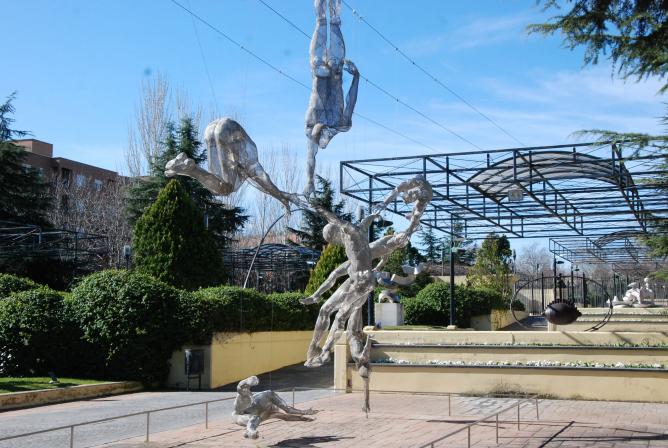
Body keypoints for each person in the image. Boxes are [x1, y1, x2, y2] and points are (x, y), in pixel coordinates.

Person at [301, 177, 433, 368]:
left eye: (332, 239)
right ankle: (314, 347)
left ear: (335, 234)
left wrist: (317, 207)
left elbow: (336, 220)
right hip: (357, 280)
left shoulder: (350, 232)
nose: (334, 243)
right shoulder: (353, 253)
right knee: (325, 309)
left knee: (340, 316)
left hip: (363, 281)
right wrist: (315, 295)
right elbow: (332, 277)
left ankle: (325, 352)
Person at [165, 117, 300, 214]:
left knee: (220, 185)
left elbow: (267, 186)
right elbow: (267, 184)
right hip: (226, 128)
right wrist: (283, 198)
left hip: (210, 129)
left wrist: (284, 199)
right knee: (224, 189)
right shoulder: (250, 165)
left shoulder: (241, 160)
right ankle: (192, 170)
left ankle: (190, 170)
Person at [304, 0, 360, 196]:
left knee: (319, 61)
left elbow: (311, 157)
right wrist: (356, 78)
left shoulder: (311, 128)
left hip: (322, 73)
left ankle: (325, 16)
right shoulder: (341, 124)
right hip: (334, 73)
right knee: (332, 25)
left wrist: (310, 181)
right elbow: (351, 101)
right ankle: (331, 16)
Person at [231, 376, 317, 439]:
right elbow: (287, 410)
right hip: (239, 415)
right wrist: (304, 413)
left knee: (254, 417)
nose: (278, 410)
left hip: (248, 415)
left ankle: (249, 432)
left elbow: (287, 415)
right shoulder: (267, 397)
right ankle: (250, 431)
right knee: (251, 414)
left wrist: (304, 416)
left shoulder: (272, 412)